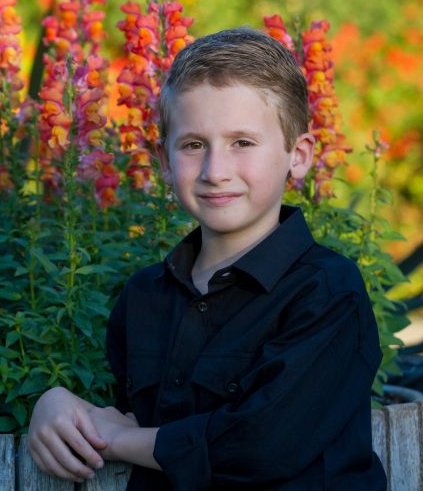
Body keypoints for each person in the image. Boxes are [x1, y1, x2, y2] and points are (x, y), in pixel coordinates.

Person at [26, 27, 387, 490]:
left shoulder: (327, 292)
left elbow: (262, 444)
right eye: (194, 145)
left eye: (243, 143)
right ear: (164, 159)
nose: (216, 172)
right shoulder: (143, 297)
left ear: (298, 156)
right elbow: (127, 415)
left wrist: (118, 441)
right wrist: (53, 404)